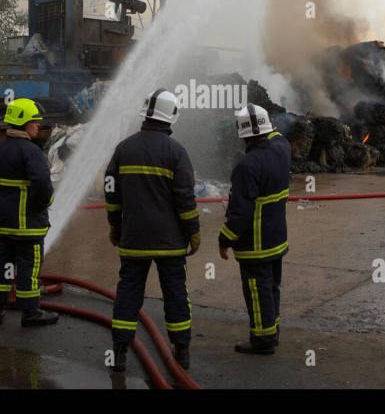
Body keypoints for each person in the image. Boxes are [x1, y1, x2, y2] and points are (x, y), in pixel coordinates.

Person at [104, 89, 201, 372]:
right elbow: (185, 199)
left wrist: (115, 225)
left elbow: (111, 192)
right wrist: (193, 231)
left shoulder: (123, 149)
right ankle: (182, 352)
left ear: (146, 114)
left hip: (133, 238)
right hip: (170, 242)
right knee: (175, 293)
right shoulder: (176, 152)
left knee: (128, 292)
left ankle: (119, 355)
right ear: (171, 116)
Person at [0, 98, 59, 327]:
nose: (38, 125)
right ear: (23, 123)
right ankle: (30, 311)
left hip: (7, 223)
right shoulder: (31, 151)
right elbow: (42, 183)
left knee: (5, 264)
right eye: (35, 121)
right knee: (29, 266)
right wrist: (46, 201)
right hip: (29, 224)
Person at [218, 103, 291, 355]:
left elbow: (240, 211)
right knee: (271, 289)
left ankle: (262, 341)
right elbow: (277, 135)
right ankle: (272, 332)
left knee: (258, 292)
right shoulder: (282, 149)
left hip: (255, 245)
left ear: (242, 134)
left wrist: (225, 239)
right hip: (277, 240)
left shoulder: (247, 165)